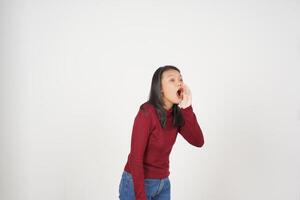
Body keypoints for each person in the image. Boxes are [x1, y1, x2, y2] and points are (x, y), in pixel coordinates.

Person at [118, 65, 205, 200]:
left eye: (180, 79)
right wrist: (140, 197)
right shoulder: (146, 113)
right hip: (137, 183)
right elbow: (136, 158)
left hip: (163, 184)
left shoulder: (177, 115)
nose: (179, 83)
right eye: (172, 80)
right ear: (160, 89)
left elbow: (198, 141)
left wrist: (187, 108)